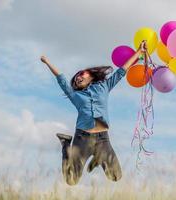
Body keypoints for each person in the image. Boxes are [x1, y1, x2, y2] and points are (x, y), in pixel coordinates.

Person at [40, 41, 147, 185]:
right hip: (82, 139)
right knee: (71, 180)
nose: (78, 78)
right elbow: (62, 80)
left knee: (115, 176)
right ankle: (66, 143)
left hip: (103, 139)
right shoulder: (75, 96)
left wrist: (139, 52)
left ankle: (98, 156)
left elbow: (121, 71)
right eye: (76, 79)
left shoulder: (104, 86)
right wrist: (47, 62)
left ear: (90, 75)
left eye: (81, 74)